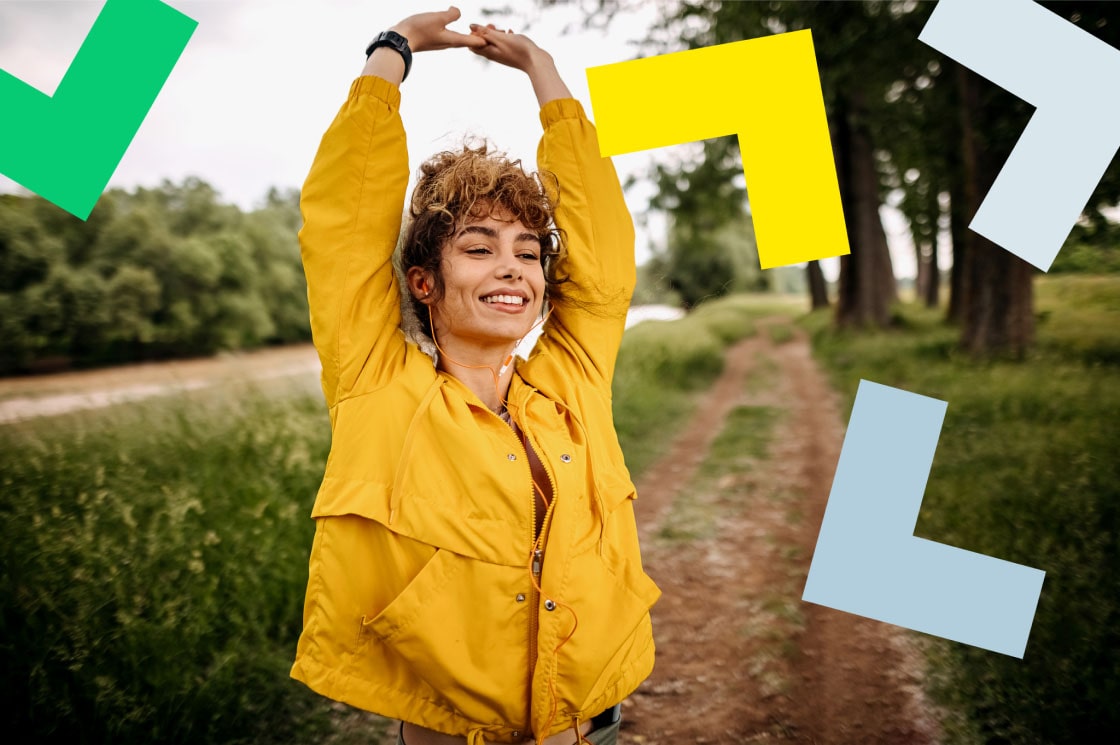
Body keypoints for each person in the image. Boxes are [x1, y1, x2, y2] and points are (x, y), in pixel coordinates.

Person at [290, 8, 660, 745]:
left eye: (528, 251)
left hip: (585, 724)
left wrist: (544, 75)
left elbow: (606, 264)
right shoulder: (377, 383)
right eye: (480, 247)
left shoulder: (571, 382)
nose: (512, 268)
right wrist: (391, 55)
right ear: (424, 282)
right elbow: (346, 223)